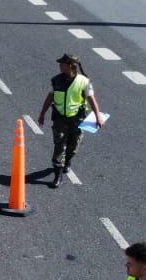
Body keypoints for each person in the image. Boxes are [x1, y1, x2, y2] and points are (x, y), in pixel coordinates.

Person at [35, 53, 103, 187]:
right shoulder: (56, 80)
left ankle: (68, 161)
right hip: (60, 119)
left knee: (73, 145)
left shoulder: (84, 81)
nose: (60, 66)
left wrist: (98, 116)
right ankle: (57, 175)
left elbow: (91, 99)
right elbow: (50, 97)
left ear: (71, 66)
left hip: (77, 119)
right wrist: (42, 114)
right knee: (59, 146)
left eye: (62, 64)